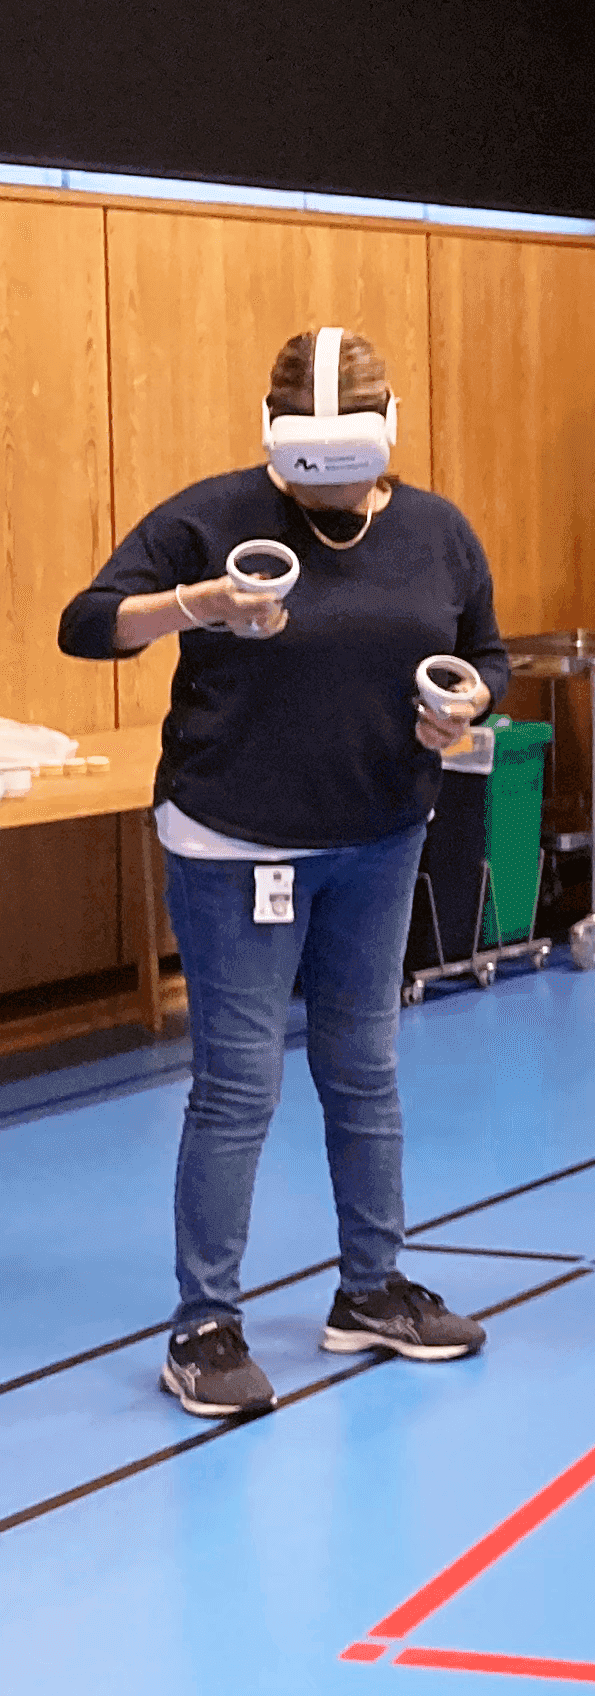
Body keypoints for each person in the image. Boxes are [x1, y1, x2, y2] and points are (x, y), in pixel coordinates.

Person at [55, 326, 505, 1419]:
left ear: (386, 440)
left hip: (381, 833)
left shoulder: (439, 531)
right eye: (314, 469)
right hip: (235, 843)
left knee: (365, 1069)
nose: (336, 491)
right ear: (275, 443)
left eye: (353, 467)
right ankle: (203, 1326)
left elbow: (487, 652)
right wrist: (197, 604)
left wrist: (468, 708)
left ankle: (371, 1288)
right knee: (237, 1086)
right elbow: (85, 625)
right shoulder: (207, 517)